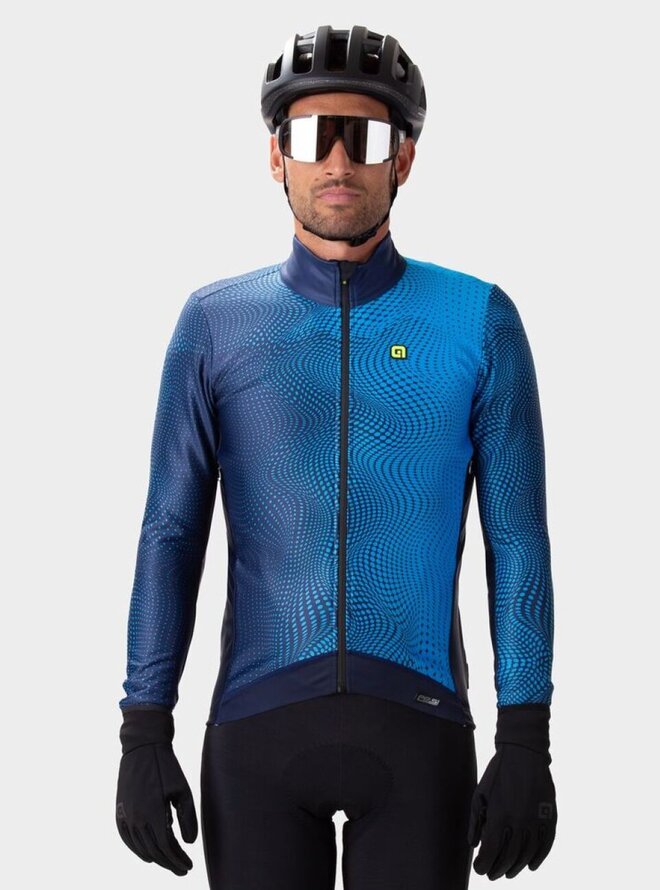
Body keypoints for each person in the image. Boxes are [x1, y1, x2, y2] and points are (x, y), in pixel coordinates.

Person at [115, 24, 558, 889]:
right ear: (276, 157)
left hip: (421, 730)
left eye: (369, 138)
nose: (340, 161)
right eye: (316, 135)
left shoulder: (478, 321)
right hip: (256, 733)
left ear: (406, 160)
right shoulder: (215, 324)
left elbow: (519, 541)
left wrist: (526, 737)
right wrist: (143, 728)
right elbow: (170, 532)